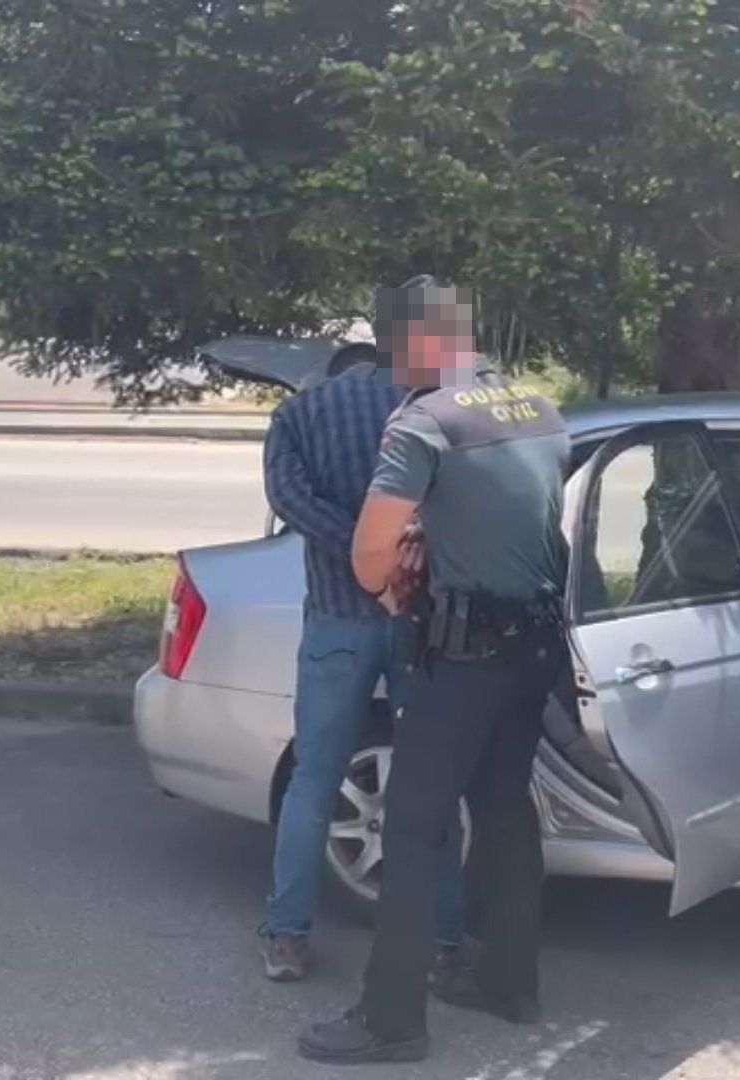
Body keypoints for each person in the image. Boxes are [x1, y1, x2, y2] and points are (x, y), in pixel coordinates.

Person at [300, 278, 571, 1064]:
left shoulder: (427, 422)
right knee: (504, 809)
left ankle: (390, 1021)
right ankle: (509, 985)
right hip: (534, 651)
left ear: (415, 342)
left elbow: (370, 549)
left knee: (414, 831)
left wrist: (389, 596)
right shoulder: (542, 409)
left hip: (463, 658)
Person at [258, 340, 467, 982]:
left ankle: (288, 938)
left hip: (335, 620)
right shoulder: (425, 406)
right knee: (430, 780)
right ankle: (442, 938)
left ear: (333, 371)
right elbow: (454, 498)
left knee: (315, 779)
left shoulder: (297, 415)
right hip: (415, 618)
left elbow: (287, 502)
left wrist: (355, 545)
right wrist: (400, 548)